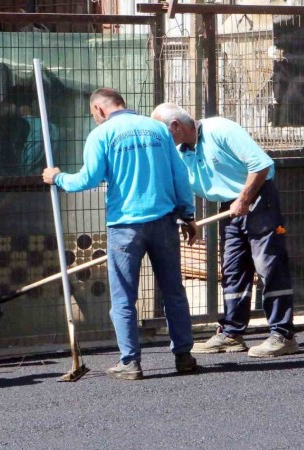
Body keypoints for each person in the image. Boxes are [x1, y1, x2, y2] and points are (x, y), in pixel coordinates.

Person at [42, 88, 198, 380]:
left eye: (93, 115)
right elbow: (180, 175)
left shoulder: (102, 135)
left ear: (99, 110)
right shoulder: (158, 129)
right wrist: (188, 214)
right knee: (174, 292)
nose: (95, 120)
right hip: (164, 222)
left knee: (124, 297)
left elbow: (87, 179)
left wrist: (57, 178)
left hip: (125, 227)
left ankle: (131, 362)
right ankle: (184, 356)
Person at [151, 103, 298, 358]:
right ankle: (231, 332)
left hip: (258, 197)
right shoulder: (180, 152)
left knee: (269, 266)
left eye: (162, 131)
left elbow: (261, 165)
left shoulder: (220, 129)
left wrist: (244, 198)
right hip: (230, 207)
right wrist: (188, 218)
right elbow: (181, 187)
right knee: (232, 269)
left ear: (175, 126)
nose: (162, 139)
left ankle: (283, 334)